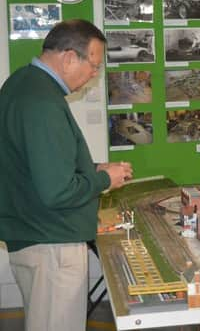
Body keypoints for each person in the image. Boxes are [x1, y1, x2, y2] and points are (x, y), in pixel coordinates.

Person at [0, 19, 133, 331]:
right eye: (94, 65)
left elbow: (36, 165)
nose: (94, 76)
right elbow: (57, 191)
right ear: (69, 57)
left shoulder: (23, 84)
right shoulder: (42, 102)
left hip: (35, 236)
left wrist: (90, 169)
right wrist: (104, 180)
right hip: (52, 245)